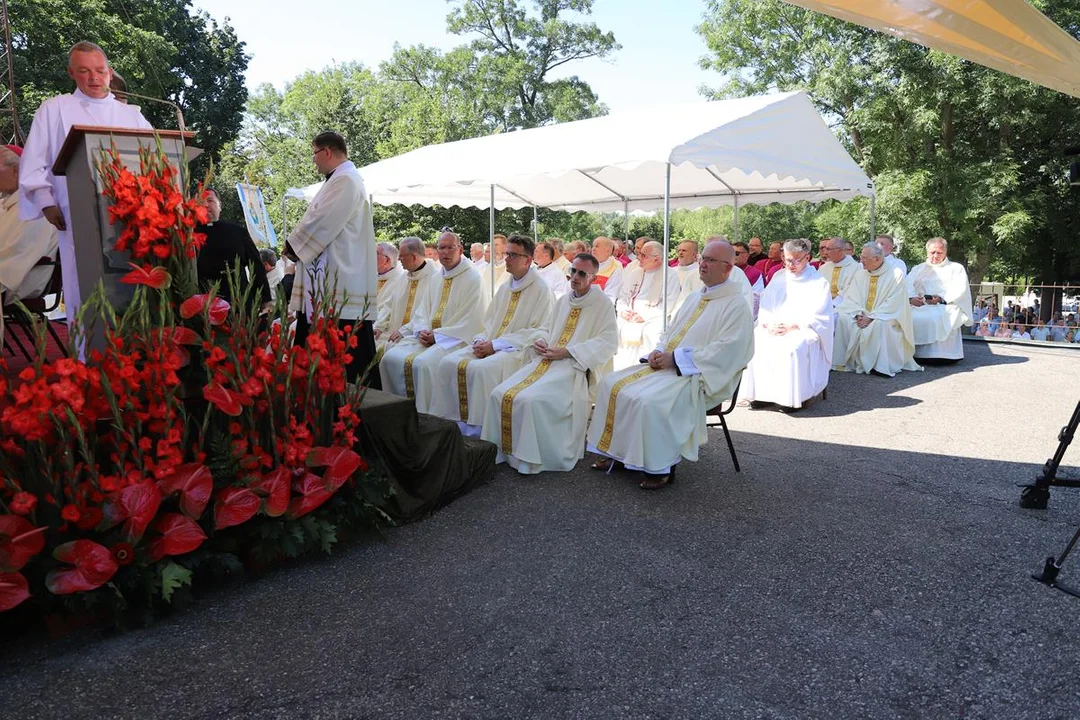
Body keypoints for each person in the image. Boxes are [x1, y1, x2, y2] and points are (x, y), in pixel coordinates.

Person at [585, 240, 754, 489]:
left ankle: (659, 468)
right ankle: (618, 454)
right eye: (702, 259)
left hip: (699, 376)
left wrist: (675, 359)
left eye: (709, 260)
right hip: (670, 367)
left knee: (651, 401)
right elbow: (671, 330)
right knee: (611, 384)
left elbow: (728, 351)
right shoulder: (696, 296)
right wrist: (659, 350)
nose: (702, 264)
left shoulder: (736, 305)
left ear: (727, 268)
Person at [19, 41, 152, 324]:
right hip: (76, 215)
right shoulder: (54, 109)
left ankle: (135, 357)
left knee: (132, 286)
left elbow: (157, 161)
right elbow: (34, 161)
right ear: (71, 73)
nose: (93, 78)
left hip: (131, 219)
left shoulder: (132, 115)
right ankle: (86, 358)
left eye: (100, 70)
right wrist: (45, 203)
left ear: (110, 72)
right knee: (85, 288)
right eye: (84, 71)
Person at [482, 252, 618, 474]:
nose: (574, 277)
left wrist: (568, 351)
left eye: (581, 273)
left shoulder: (602, 304)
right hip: (546, 361)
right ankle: (505, 453)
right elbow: (547, 328)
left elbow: (608, 342)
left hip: (573, 368)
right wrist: (541, 341)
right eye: (572, 271)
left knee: (529, 399)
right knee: (500, 392)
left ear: (594, 277)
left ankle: (529, 459)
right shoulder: (564, 300)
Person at [431, 234, 554, 434]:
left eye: (513, 255)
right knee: (448, 363)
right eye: (507, 254)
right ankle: (452, 425)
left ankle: (479, 430)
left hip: (518, 351)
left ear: (528, 260)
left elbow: (541, 331)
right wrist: (481, 340)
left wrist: (496, 345)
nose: (507, 259)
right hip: (492, 344)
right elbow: (489, 322)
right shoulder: (506, 286)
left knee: (482, 371)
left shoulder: (541, 289)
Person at [284, 131, 378, 386]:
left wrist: (292, 245)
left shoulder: (346, 179)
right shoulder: (338, 179)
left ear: (327, 151)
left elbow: (321, 222)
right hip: (328, 279)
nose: (313, 160)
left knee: (345, 357)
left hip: (338, 283)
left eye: (314, 153)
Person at [379, 231, 485, 412]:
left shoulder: (473, 278)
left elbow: (470, 320)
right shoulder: (437, 277)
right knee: (389, 358)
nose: (445, 252)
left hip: (454, 340)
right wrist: (421, 330)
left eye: (450, 247)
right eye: (441, 248)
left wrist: (437, 336)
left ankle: (425, 416)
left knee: (422, 365)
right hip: (427, 337)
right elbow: (422, 312)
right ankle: (394, 413)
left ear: (460, 249)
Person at [742, 238, 833, 412]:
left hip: (802, 328)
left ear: (807, 258)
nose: (791, 265)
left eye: (796, 260)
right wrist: (768, 324)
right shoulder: (778, 278)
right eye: (788, 260)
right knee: (757, 342)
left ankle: (788, 398)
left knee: (792, 348)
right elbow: (765, 304)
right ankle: (761, 394)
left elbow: (820, 315)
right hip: (774, 326)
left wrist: (792, 325)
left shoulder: (818, 283)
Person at [833, 243, 921, 376]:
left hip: (887, 316)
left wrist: (871, 317)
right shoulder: (860, 274)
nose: (861, 261)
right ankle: (849, 361)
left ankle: (878, 365)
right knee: (843, 318)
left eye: (864, 258)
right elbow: (852, 297)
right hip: (862, 314)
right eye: (861, 257)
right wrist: (858, 314)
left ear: (877, 259)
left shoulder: (895, 274)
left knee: (879, 324)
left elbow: (894, 303)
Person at [0, 145, 58, 305]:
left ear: (16, 170)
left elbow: (17, 250)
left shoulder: (36, 207)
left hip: (19, 281)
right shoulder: (8, 204)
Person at [195, 189, 272, 307]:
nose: (205, 205)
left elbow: (256, 266)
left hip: (241, 302)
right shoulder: (188, 235)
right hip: (204, 304)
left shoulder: (238, 232)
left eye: (210, 200)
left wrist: (265, 300)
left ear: (220, 205)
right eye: (200, 202)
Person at [612, 240, 681, 370]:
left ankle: (644, 369)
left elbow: (669, 304)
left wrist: (644, 316)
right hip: (629, 316)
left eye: (644, 255)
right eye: (639, 254)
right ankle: (619, 369)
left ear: (657, 259)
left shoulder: (670, 276)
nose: (639, 258)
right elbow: (622, 296)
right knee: (614, 327)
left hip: (653, 318)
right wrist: (623, 310)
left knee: (652, 332)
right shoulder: (635, 273)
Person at [906, 237, 973, 361]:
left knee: (938, 317)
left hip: (945, 305)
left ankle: (942, 355)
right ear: (927, 252)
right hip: (920, 304)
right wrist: (911, 298)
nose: (935, 256)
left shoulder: (956, 268)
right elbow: (907, 284)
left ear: (945, 252)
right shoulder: (918, 268)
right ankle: (914, 353)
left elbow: (960, 289)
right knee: (908, 316)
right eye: (932, 252)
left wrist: (942, 299)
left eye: (939, 252)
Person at [374, 236, 440, 352]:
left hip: (416, 335)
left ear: (413, 257)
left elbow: (427, 312)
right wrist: (379, 326)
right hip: (392, 332)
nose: (398, 259)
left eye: (402, 256)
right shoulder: (403, 278)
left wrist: (405, 330)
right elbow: (389, 305)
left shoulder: (435, 279)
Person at [373, 241, 406, 340]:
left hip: (385, 329)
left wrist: (377, 326)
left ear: (386, 260)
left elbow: (389, 308)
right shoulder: (371, 277)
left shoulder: (401, 280)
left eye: (375, 253)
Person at [818, 237, 860, 309]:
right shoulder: (823, 268)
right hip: (823, 304)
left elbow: (851, 291)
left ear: (840, 250)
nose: (825, 252)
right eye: (824, 249)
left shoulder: (856, 268)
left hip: (844, 307)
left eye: (828, 249)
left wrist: (833, 304)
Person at [590, 236, 624, 301]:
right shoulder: (586, 264)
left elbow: (611, 295)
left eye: (597, 246)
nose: (593, 249)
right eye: (593, 246)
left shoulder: (615, 269)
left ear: (608, 251)